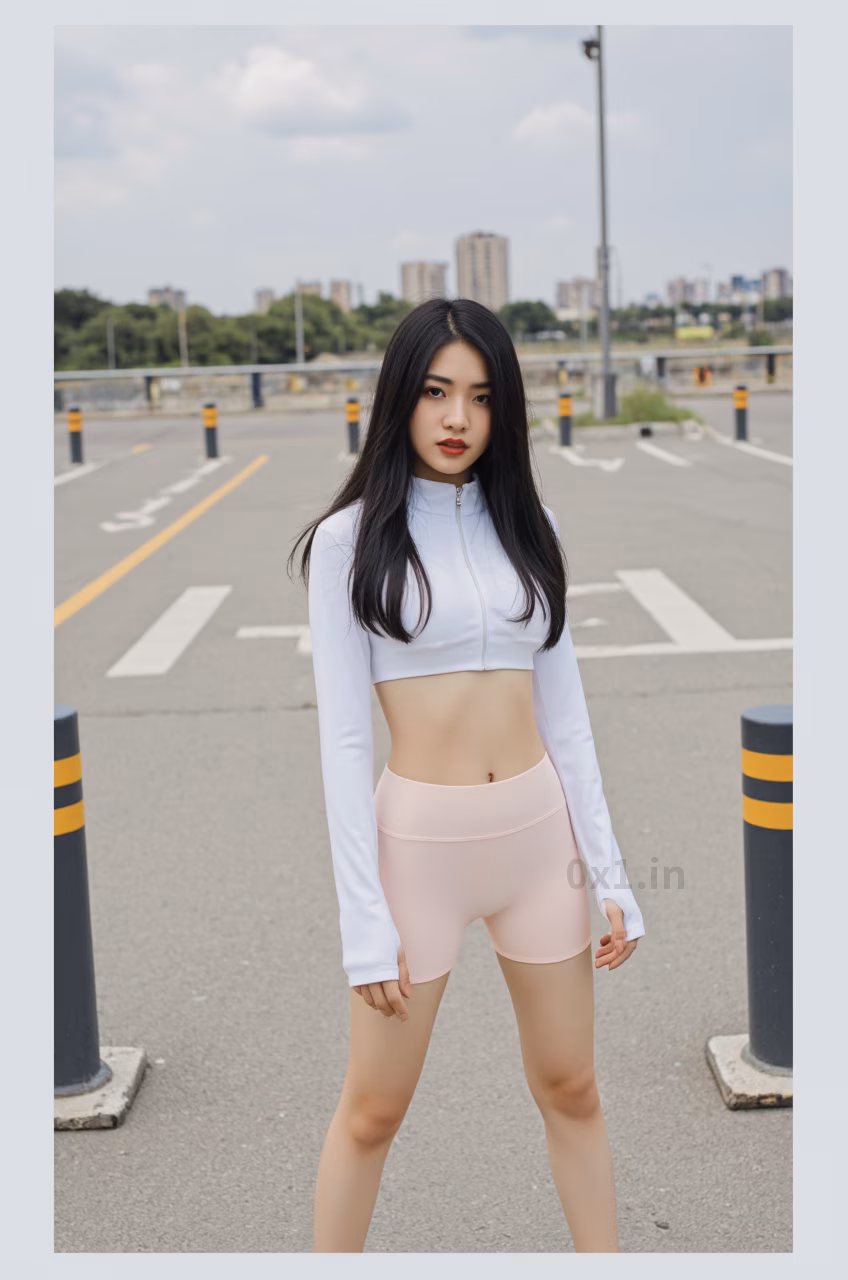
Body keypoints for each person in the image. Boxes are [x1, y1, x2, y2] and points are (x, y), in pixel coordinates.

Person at [289, 297, 646, 1253]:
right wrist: (363, 920)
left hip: (539, 844)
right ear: (401, 397)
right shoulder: (348, 542)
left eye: (482, 398)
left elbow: (565, 717)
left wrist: (609, 873)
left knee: (572, 1087)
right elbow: (344, 743)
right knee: (372, 1112)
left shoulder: (534, 523)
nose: (458, 420)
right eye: (438, 393)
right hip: (422, 855)